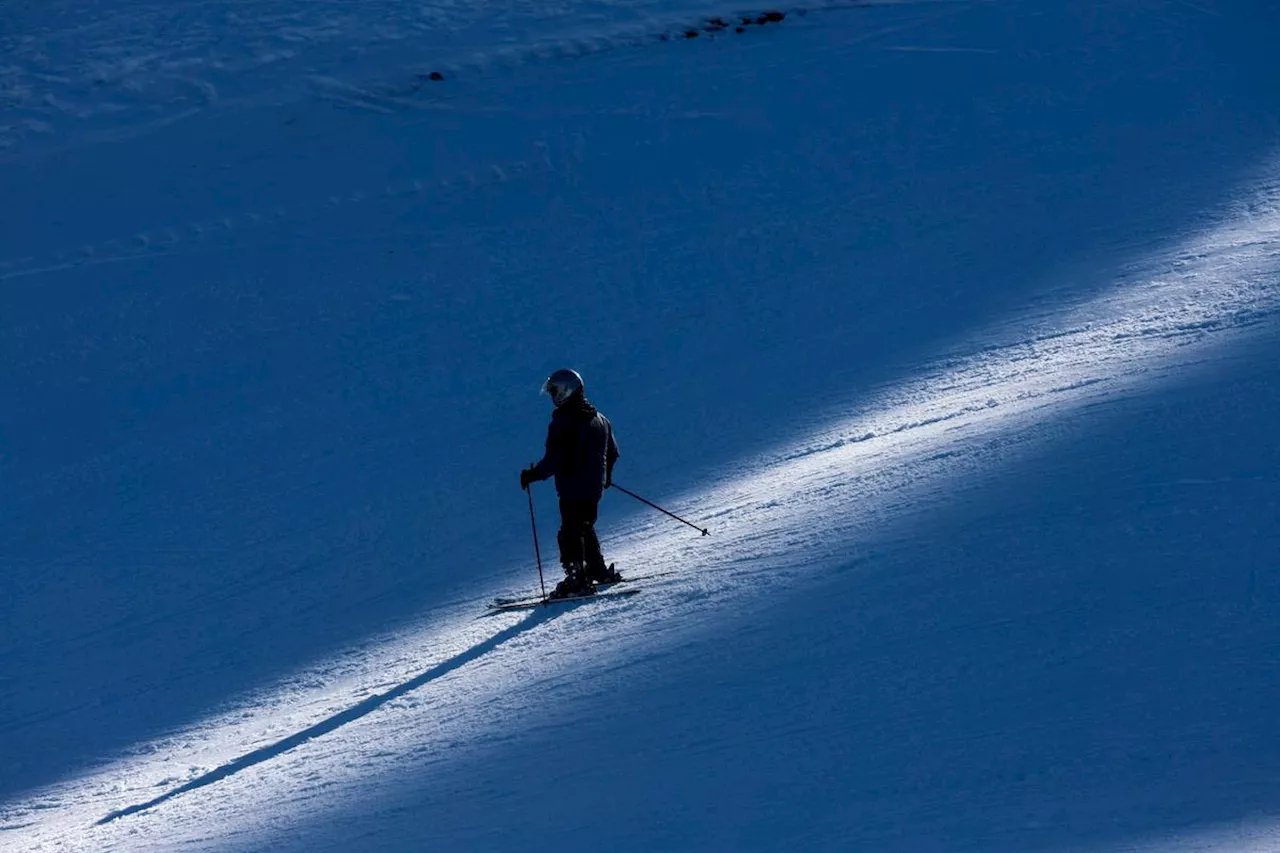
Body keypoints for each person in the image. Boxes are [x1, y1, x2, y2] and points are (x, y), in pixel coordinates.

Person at [520, 368, 623, 599]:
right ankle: (597, 570)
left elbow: (554, 460)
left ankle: (577, 579)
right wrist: (606, 477)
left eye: (554, 391)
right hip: (593, 489)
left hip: (572, 488)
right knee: (585, 525)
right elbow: (613, 452)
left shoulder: (564, 423)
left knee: (569, 532)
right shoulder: (600, 418)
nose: (552, 397)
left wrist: (532, 475)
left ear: (566, 391)